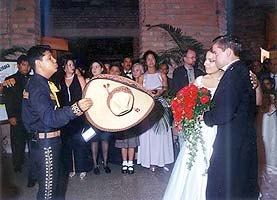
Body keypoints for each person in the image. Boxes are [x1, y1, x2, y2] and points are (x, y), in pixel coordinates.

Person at [22, 45, 92, 200]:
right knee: (48, 192)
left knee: (56, 189)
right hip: (44, 143)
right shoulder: (37, 86)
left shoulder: (44, 83)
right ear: (39, 64)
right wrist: (75, 108)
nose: (55, 60)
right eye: (49, 58)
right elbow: (49, 117)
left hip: (51, 140)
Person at [203, 35, 259, 199]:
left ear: (228, 52)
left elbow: (224, 112)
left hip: (232, 142)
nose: (213, 56)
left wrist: (205, 116)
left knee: (222, 185)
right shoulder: (239, 70)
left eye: (215, 52)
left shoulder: (234, 73)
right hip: (239, 138)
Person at [163, 50, 223, 200]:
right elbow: (182, 100)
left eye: (210, 60)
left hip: (219, 127)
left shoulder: (227, 80)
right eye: (206, 60)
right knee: (193, 160)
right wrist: (184, 117)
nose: (205, 63)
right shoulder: (200, 80)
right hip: (200, 128)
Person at [137, 50, 174, 172]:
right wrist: (147, 93)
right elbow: (139, 91)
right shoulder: (142, 77)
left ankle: (163, 161)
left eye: (152, 59)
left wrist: (159, 92)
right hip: (148, 108)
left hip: (160, 106)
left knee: (161, 135)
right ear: (145, 62)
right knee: (150, 135)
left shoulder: (161, 74)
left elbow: (165, 88)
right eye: (148, 59)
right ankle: (151, 161)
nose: (151, 61)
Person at [3, 55, 34, 186]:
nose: (26, 67)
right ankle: (17, 165)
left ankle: (33, 169)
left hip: (31, 118)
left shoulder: (33, 80)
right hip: (17, 117)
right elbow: (8, 100)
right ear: (18, 65)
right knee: (17, 143)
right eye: (23, 65)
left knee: (33, 144)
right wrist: (11, 116)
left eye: (28, 65)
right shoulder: (10, 80)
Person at [59, 57, 92, 180]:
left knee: (80, 142)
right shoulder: (60, 81)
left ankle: (82, 168)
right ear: (64, 67)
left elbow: (85, 97)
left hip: (79, 115)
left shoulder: (79, 78)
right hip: (66, 116)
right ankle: (71, 168)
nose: (72, 67)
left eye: (73, 64)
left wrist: (86, 114)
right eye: (69, 65)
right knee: (68, 143)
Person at [86, 60, 112, 175]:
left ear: (102, 68)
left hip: (105, 116)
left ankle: (105, 163)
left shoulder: (107, 81)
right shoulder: (88, 82)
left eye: (97, 66)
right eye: (93, 67)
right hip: (92, 116)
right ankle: (95, 164)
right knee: (94, 140)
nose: (95, 69)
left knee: (105, 140)